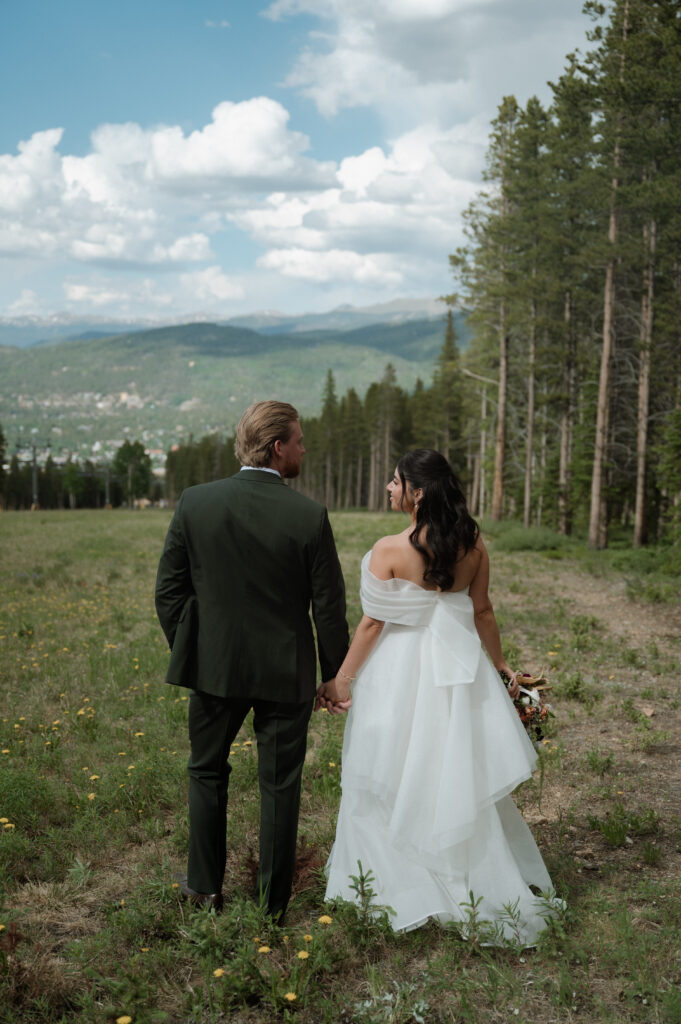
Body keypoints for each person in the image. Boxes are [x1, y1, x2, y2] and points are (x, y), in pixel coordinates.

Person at [320, 449, 561, 944]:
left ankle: (393, 881)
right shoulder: (472, 543)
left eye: (395, 481)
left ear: (418, 492)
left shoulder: (389, 549)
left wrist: (342, 680)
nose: (389, 488)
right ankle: (464, 876)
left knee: (386, 770)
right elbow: (483, 611)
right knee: (450, 770)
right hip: (456, 672)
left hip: (397, 673)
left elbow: (371, 624)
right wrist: (500, 666)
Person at [155, 400, 349, 918]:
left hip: (214, 670)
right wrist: (336, 675)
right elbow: (328, 608)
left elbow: (168, 592)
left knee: (206, 773)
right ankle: (272, 907)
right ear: (278, 447)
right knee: (280, 788)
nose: (305, 449)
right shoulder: (309, 516)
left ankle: (203, 890)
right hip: (286, 676)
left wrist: (196, 650)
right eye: (301, 441)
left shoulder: (195, 503)